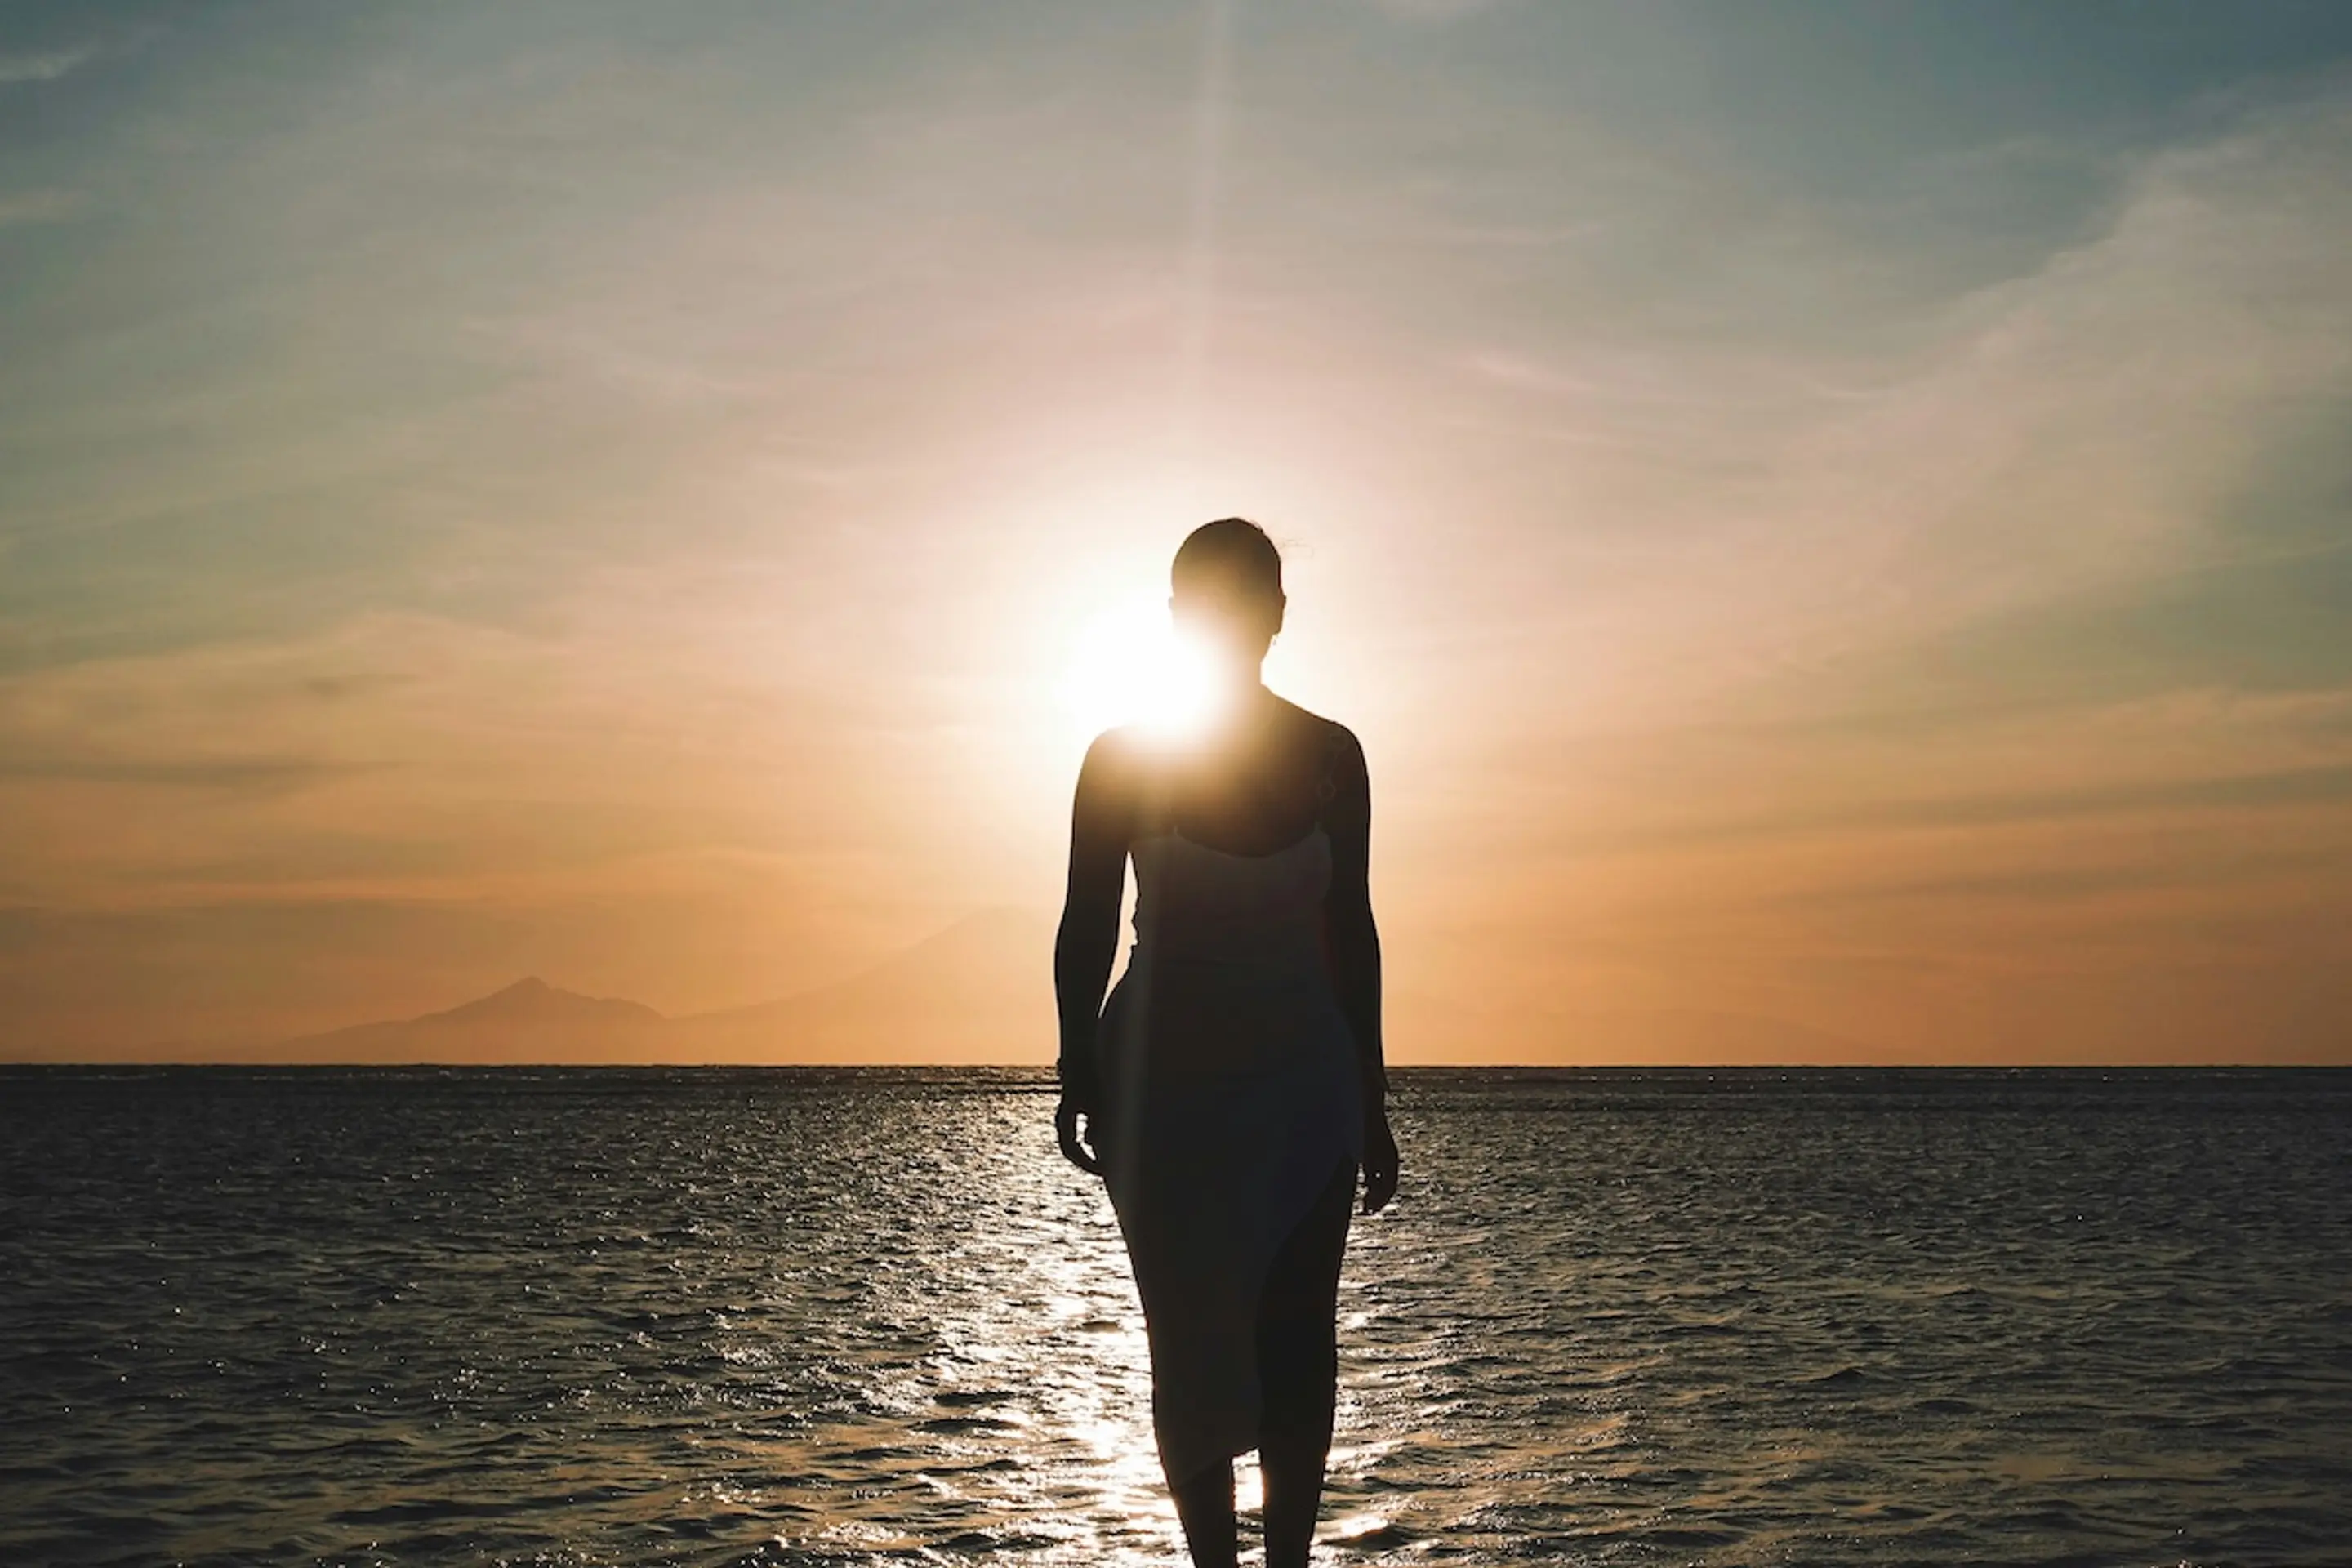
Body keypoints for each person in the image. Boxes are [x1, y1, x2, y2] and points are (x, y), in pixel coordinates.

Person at [1054, 518, 1400, 1568]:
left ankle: (1286, 1563)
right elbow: (1083, 921)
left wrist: (1371, 1097)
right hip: (1165, 1086)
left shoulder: (1333, 758)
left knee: (1297, 1335)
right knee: (1189, 1338)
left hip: (1304, 1085)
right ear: (1181, 620)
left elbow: (1353, 929)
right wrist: (1077, 1065)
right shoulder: (1121, 760)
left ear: (1278, 617)